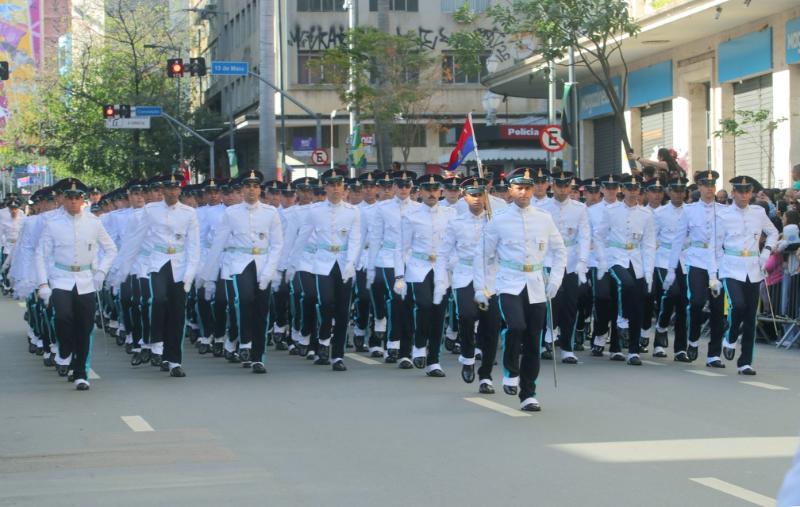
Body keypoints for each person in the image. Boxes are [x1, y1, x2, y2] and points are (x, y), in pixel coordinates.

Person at [474, 167, 566, 412]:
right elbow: (484, 256)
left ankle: (529, 393)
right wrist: (481, 287)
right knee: (516, 326)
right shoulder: (499, 220)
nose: (524, 192)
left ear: (534, 188)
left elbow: (560, 251)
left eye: (528, 187)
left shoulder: (544, 218)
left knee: (534, 339)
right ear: (510, 190)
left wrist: (555, 279)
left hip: (536, 282)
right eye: (519, 188)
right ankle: (510, 371)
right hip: (508, 282)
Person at [112, 171, 200, 378]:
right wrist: (123, 270)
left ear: (179, 190)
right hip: (156, 262)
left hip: (178, 264)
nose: (172, 192)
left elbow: (193, 246)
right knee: (157, 299)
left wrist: (190, 274)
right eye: (168, 188)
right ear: (162, 191)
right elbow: (134, 240)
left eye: (175, 188)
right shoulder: (150, 211)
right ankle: (154, 340)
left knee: (177, 313)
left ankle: (174, 361)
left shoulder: (188, 213)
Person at [34, 178, 117, 390]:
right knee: (63, 317)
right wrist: (43, 284)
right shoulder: (52, 224)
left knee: (85, 326)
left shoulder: (93, 222)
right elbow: (40, 255)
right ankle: (65, 349)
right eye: (69, 197)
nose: (73, 201)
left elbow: (110, 249)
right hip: (61, 278)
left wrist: (101, 272)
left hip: (86, 280)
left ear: (83, 199)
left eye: (77, 197)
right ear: (63, 200)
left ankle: (80, 372)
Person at [200, 170, 283, 374]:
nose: (252, 190)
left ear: (260, 189)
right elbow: (218, 243)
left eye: (255, 186)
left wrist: (271, 271)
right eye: (247, 187)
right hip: (238, 262)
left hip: (263, 263)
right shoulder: (231, 213)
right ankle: (244, 342)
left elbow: (277, 245)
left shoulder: (271, 212)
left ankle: (258, 357)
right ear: (242, 190)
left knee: (262, 310)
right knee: (244, 299)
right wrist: (207, 276)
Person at [291, 169, 360, 371]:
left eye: (339, 185)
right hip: (322, 263)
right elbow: (303, 237)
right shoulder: (315, 211)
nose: (335, 189)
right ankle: (323, 338)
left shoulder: (352, 211)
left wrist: (351, 263)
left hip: (344, 263)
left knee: (342, 311)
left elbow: (355, 239)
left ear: (343, 188)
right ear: (326, 188)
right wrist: (292, 264)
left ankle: (337, 355)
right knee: (326, 302)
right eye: (331, 185)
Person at [435, 177, 500, 392]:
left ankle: (486, 376)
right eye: (472, 194)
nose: (477, 199)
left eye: (481, 194)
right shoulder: (456, 222)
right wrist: (441, 279)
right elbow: (444, 252)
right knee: (467, 315)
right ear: (465, 196)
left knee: (491, 326)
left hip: (490, 277)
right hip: (465, 275)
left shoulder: (494, 221)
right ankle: (468, 355)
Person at [715, 176, 778, 375]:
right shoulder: (723, 214)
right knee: (738, 304)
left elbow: (774, 233)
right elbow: (716, 246)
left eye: (747, 191)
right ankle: (731, 336)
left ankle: (745, 362)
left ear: (751, 193)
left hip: (753, 267)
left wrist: (766, 253)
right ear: (733, 193)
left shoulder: (758, 212)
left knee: (750, 316)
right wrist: (713, 275)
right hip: (731, 267)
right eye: (740, 191)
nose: (744, 195)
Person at [394, 174, 454, 375]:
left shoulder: (450, 214)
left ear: (441, 191)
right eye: (427, 189)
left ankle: (434, 360)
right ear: (420, 191)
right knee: (424, 304)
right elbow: (401, 248)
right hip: (418, 267)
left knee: (438, 312)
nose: (432, 193)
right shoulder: (411, 216)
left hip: (441, 268)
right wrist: (399, 276)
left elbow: (456, 244)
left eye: (435, 189)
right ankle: (419, 344)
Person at [664, 170, 725, 366]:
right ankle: (693, 340)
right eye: (705, 185)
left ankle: (714, 354)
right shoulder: (689, 210)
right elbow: (678, 240)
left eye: (712, 185)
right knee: (697, 302)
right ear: (699, 187)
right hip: (697, 261)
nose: (709, 189)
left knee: (717, 309)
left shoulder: (723, 210)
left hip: (718, 262)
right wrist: (672, 269)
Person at [594, 173, 656, 365]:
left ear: (639, 191)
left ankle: (631, 350)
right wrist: (603, 260)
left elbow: (649, 244)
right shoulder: (611, 211)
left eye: (635, 188)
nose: (631, 192)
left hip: (635, 259)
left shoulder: (646, 214)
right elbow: (599, 236)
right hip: (615, 257)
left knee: (637, 303)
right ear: (623, 190)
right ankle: (622, 321)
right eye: (628, 188)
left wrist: (649, 272)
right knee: (625, 284)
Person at [368, 170, 420, 365]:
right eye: (400, 185)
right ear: (394, 187)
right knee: (397, 299)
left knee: (409, 303)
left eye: (408, 185)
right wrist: (372, 265)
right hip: (389, 258)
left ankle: (406, 351)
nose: (404, 189)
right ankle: (393, 343)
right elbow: (375, 237)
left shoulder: (418, 208)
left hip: (412, 259)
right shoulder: (382, 208)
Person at [540, 171, 590, 364]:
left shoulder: (579, 208)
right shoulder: (542, 207)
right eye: (558, 186)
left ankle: (567, 347)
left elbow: (584, 236)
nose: (562, 189)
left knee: (570, 304)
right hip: (548, 259)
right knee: (551, 302)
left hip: (570, 260)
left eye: (565, 186)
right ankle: (548, 339)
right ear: (552, 186)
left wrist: (582, 262)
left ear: (570, 187)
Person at [651, 177, 690, 359]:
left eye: (682, 190)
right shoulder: (659, 213)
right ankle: (661, 328)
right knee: (670, 294)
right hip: (664, 258)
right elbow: (653, 237)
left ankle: (681, 347)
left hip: (684, 259)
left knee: (683, 302)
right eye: (675, 190)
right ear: (669, 191)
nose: (679, 193)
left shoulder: (690, 211)